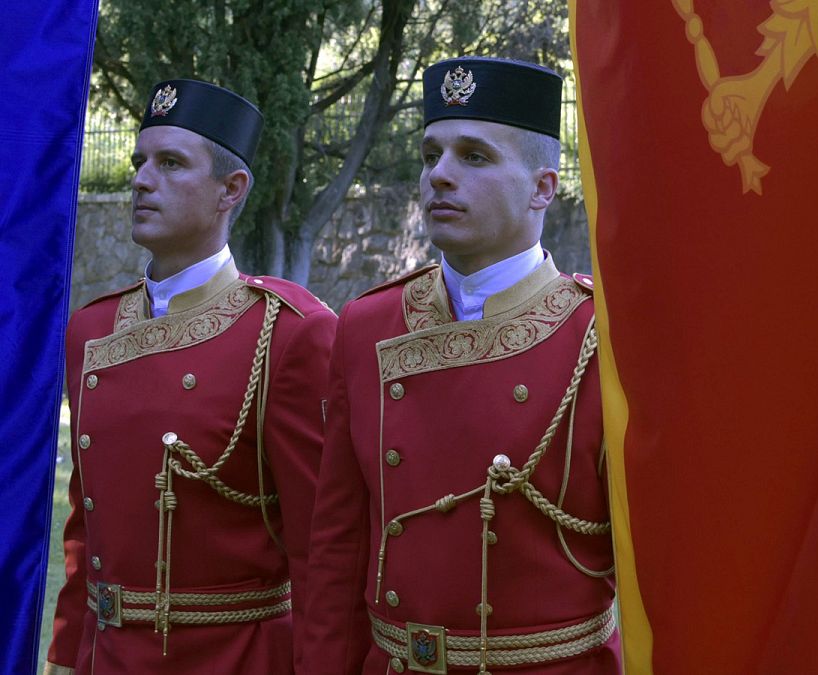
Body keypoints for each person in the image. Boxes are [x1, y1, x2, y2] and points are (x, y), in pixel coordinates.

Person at [302, 57, 619, 674]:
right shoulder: (367, 326)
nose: (439, 175)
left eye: (474, 156)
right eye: (431, 155)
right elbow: (338, 546)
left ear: (543, 188)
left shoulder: (598, 335)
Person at [44, 79, 337, 675]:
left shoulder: (288, 332)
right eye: (140, 162)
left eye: (171, 163)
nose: (141, 180)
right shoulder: (92, 330)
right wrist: (69, 655)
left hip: (235, 658)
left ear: (231, 189)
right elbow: (86, 528)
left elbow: (320, 547)